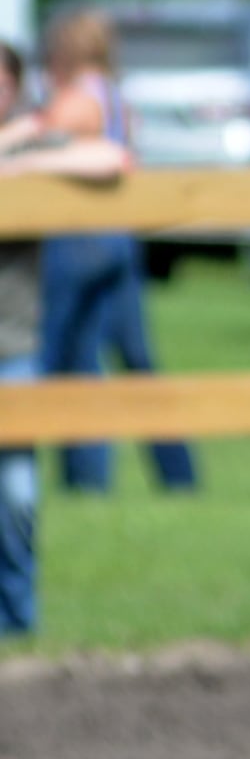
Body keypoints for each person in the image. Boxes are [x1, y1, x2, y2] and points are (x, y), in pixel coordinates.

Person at [0, 39, 134, 636]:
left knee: (18, 495)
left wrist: (23, 163)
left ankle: (18, 624)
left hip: (12, 344)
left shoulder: (32, 140)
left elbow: (112, 159)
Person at [33, 9, 196, 494]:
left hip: (78, 242)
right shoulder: (115, 95)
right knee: (137, 364)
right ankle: (177, 476)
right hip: (118, 243)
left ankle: (86, 477)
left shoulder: (78, 99)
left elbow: (42, 138)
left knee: (65, 361)